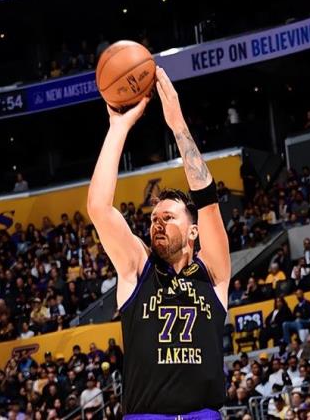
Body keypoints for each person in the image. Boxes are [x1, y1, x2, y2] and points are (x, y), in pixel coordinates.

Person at [87, 66, 230, 418]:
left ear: (193, 232)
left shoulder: (213, 273)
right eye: (154, 219)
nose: (158, 223)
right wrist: (118, 127)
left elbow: (208, 202)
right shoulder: (139, 268)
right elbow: (99, 208)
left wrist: (177, 125)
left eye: (168, 217)